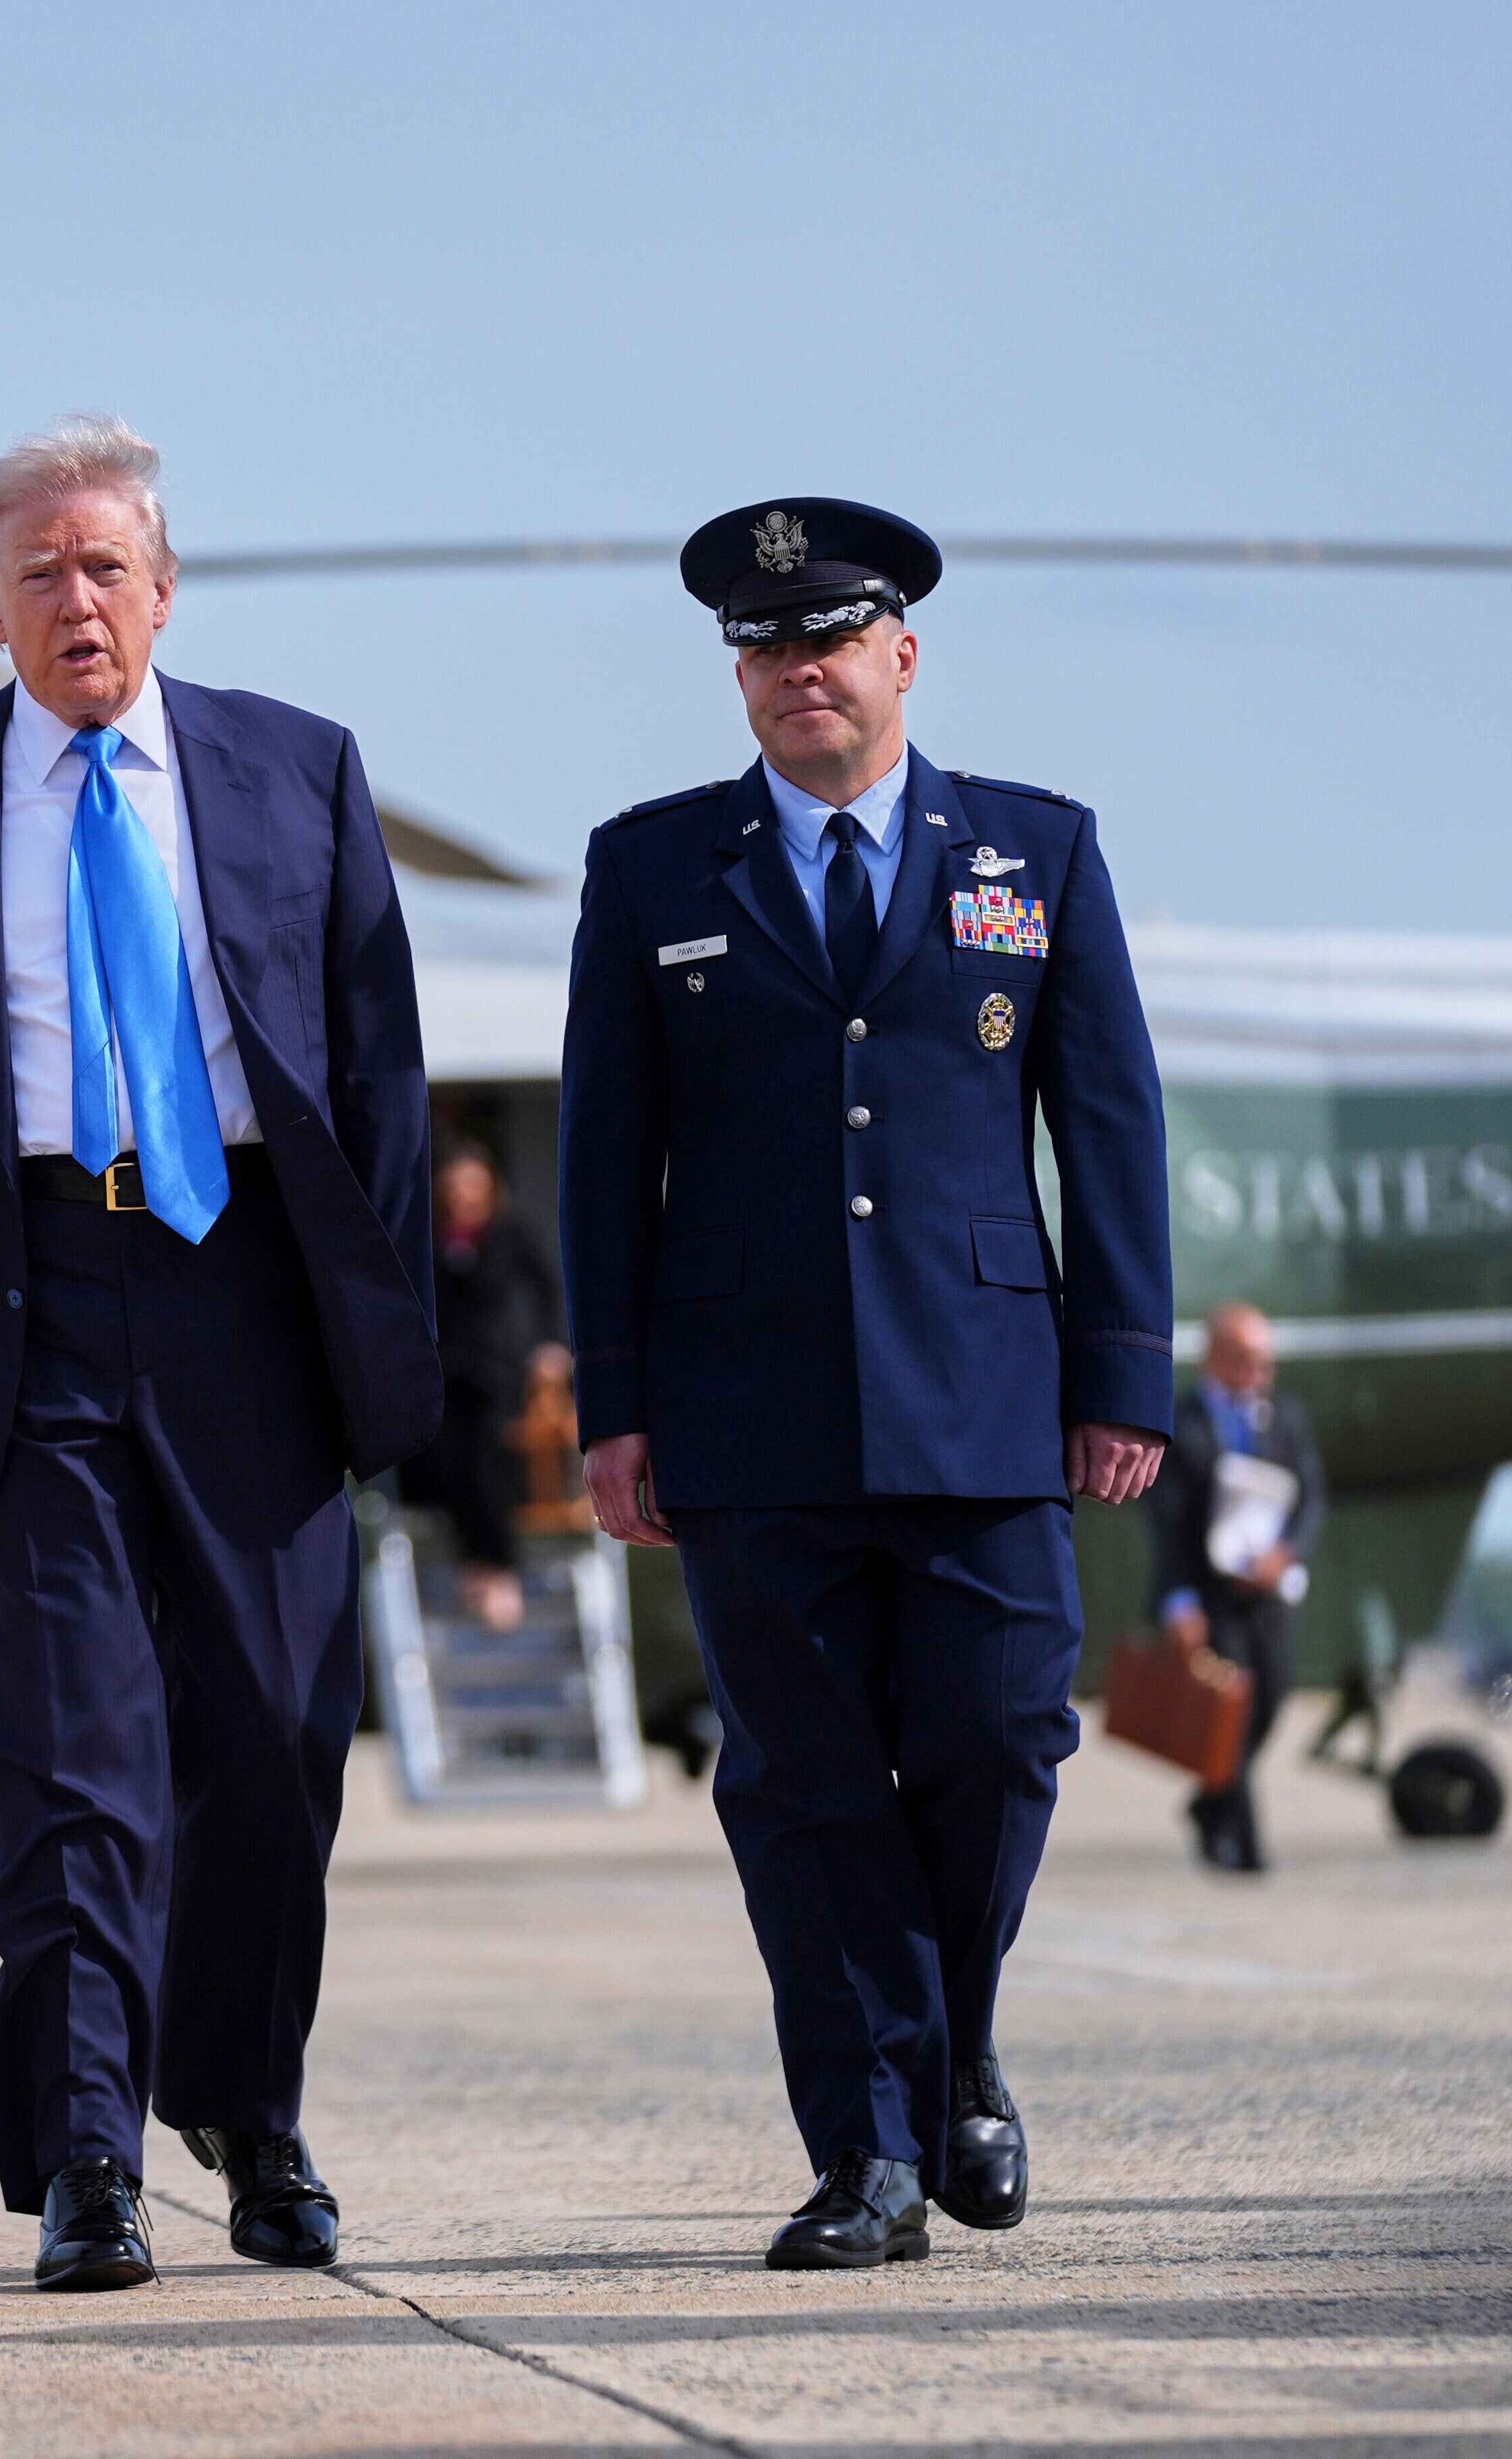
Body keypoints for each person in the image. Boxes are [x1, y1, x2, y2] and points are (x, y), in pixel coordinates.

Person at [0, 418, 440, 2292]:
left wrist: (383, 1343)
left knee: (275, 1738)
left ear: (163, 586)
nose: (77, 599)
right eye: (37, 572)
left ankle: (239, 2097)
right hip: (18, 1298)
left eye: (105, 565)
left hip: (246, 1296)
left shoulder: (295, 768)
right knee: (68, 1756)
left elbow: (376, 1070)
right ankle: (85, 2150)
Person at [559, 498, 1172, 2270]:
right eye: (761, 644)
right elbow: (601, 1160)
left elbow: (1106, 1124)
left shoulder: (1033, 851)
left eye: (826, 635)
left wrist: (1120, 1368)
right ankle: (872, 2153)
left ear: (900, 651)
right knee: (806, 1782)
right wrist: (614, 1407)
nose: (794, 667)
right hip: (745, 1408)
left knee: (999, 1733)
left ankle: (951, 2038)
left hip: (983, 1392)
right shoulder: (652, 869)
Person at [1147, 1303, 1325, 1872]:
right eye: (1248, 1361)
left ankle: (1207, 1803)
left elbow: (1309, 1497)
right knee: (1235, 1712)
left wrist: (1286, 1554)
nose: (1260, 1374)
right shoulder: (1181, 1423)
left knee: (1271, 1699)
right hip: (1211, 1595)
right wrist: (1179, 1603)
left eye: (1266, 1362)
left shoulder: (1283, 1419)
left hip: (1265, 1592)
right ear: (1216, 1358)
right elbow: (1169, 1523)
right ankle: (1245, 1847)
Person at [403, 1140, 565, 1628]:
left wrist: (551, 1346)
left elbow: (548, 1289)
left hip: (497, 1368)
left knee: (484, 1463)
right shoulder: (430, 1236)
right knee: (448, 1465)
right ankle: (475, 1562)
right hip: (444, 1369)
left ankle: (500, 1567)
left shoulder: (511, 1233)